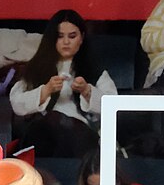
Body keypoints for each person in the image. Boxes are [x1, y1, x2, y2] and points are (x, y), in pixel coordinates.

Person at [9, 9, 116, 156]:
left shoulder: (94, 70)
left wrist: (87, 91)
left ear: (82, 38)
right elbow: (17, 103)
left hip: (81, 134)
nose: (66, 42)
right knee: (48, 125)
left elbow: (113, 105)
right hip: (42, 133)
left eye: (72, 36)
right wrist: (45, 91)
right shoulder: (36, 68)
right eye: (60, 36)